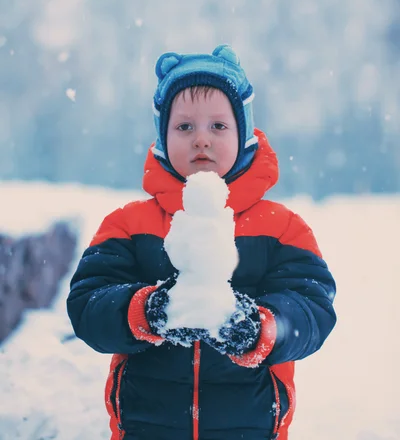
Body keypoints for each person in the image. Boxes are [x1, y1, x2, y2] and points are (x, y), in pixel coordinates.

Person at [67, 44, 337, 440]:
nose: (201, 140)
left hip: (250, 427)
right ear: (163, 137)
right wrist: (148, 312)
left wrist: (257, 328)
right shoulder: (128, 224)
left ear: (244, 135)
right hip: (147, 427)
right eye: (185, 127)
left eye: (218, 126)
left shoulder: (281, 228)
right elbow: (88, 307)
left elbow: (311, 312)